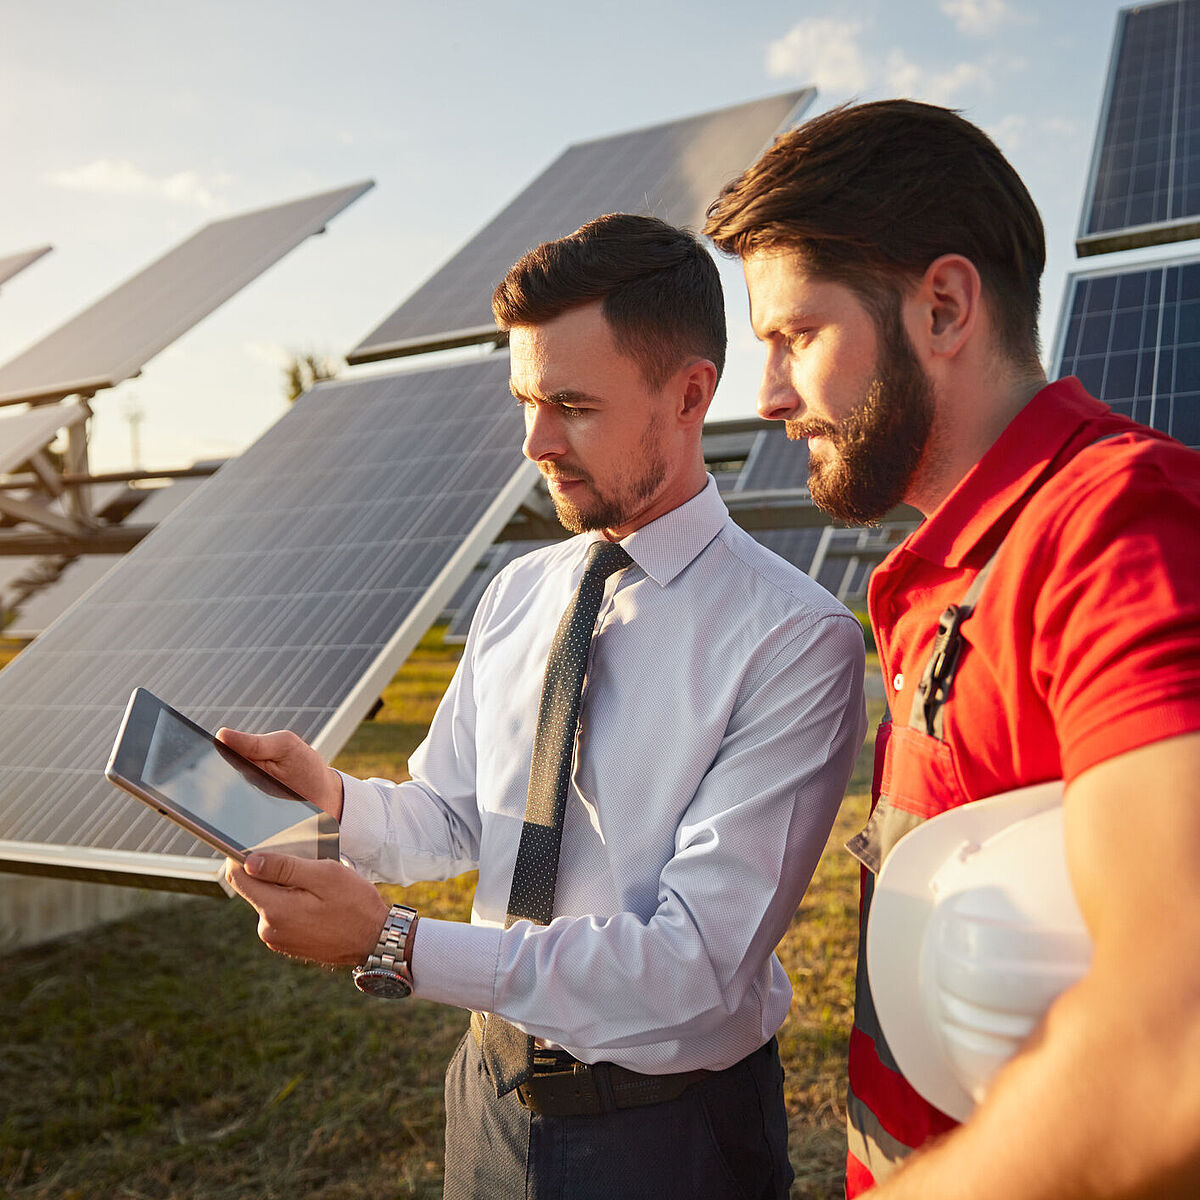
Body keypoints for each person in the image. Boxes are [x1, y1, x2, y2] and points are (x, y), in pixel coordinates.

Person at [222, 212, 868, 1200]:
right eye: (527, 399)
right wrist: (336, 803)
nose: (535, 442)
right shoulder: (523, 590)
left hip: (669, 1134)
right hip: (486, 1091)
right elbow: (455, 817)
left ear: (691, 393)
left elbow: (691, 966)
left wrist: (393, 943)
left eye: (572, 404)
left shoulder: (792, 639)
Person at [703, 99, 1200, 1198]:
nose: (770, 396)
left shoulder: (1112, 526)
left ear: (942, 306)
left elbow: (1180, 1038)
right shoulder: (949, 566)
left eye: (796, 336)